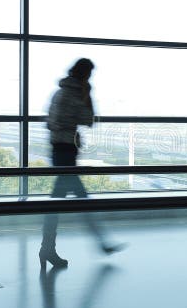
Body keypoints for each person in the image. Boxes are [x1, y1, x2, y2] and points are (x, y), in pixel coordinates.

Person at [39, 58, 124, 269]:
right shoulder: (76, 95)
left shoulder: (58, 92)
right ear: (85, 75)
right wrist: (88, 96)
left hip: (58, 150)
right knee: (77, 201)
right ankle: (99, 243)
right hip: (67, 152)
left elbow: (50, 122)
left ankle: (49, 248)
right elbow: (89, 119)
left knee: (60, 202)